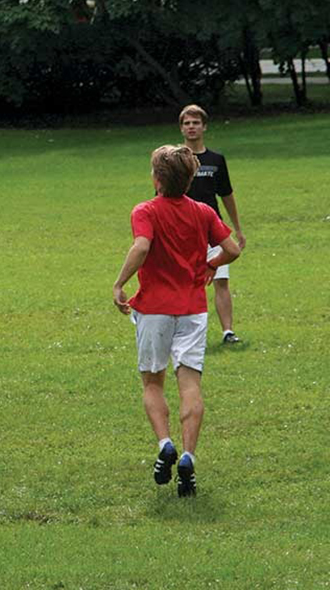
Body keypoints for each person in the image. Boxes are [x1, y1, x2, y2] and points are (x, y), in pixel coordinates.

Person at [113, 145, 240, 497]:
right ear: (189, 180)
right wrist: (211, 266)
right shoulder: (202, 212)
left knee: (153, 383)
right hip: (193, 309)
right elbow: (233, 249)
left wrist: (120, 282)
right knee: (190, 384)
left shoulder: (146, 211)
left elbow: (141, 247)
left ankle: (165, 444)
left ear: (156, 179)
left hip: (153, 309)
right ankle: (188, 456)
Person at [180, 104, 247, 344]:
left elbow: (226, 194)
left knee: (221, 279)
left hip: (213, 229)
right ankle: (185, 332)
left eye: (195, 123)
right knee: (185, 281)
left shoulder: (216, 160)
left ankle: (228, 331)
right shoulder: (176, 158)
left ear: (204, 126)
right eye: (187, 123)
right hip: (184, 230)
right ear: (181, 128)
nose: (191, 127)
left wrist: (237, 228)